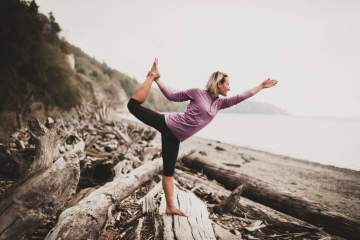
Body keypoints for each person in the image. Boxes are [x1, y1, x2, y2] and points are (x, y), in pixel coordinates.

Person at [127, 58, 278, 217]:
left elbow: (242, 96)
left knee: (168, 172)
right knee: (132, 106)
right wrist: (156, 79)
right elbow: (172, 96)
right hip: (167, 124)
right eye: (227, 83)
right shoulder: (197, 93)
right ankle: (150, 76)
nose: (229, 87)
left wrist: (261, 86)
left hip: (174, 138)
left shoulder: (220, 104)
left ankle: (170, 207)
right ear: (219, 83)